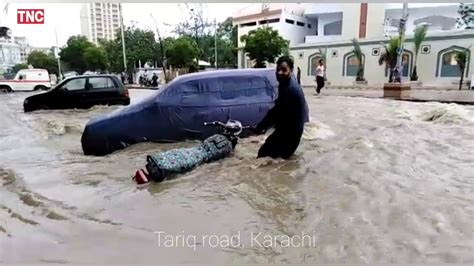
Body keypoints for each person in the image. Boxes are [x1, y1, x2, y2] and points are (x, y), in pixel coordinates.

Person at [252, 56, 309, 160]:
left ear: (291, 70)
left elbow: (275, 113)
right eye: (278, 69)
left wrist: (258, 129)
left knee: (265, 157)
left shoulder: (290, 89)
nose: (279, 73)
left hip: (290, 134)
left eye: (284, 70)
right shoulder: (285, 83)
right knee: (271, 159)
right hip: (287, 129)